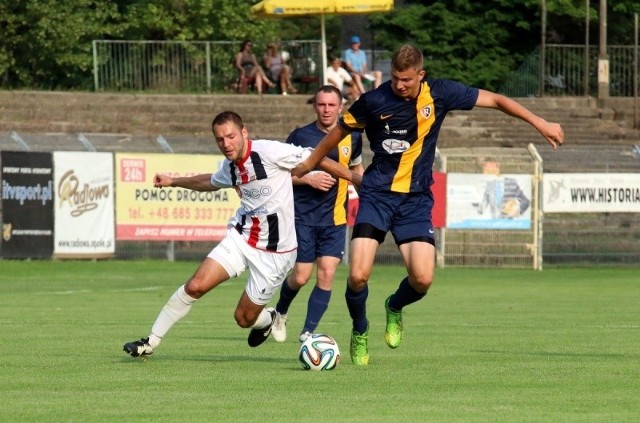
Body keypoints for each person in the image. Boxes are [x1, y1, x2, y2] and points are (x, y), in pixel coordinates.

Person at [292, 44, 565, 366]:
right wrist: (311, 161)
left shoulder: (441, 93)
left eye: (406, 80)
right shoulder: (374, 100)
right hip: (377, 194)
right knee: (358, 276)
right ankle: (360, 330)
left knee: (422, 279)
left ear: (421, 75)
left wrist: (540, 123)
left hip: (416, 200)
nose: (400, 85)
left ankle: (394, 306)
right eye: (395, 78)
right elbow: (339, 131)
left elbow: (496, 100)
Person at [123, 111, 361, 358]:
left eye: (230, 136)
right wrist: (174, 181)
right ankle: (150, 341)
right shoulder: (231, 166)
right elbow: (210, 182)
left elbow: (317, 156)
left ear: (244, 133)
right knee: (195, 286)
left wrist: (356, 179)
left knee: (244, 318)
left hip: (276, 254)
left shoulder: (269, 152)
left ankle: (267, 318)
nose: (226, 144)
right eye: (220, 139)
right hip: (242, 238)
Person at [270, 85, 364, 343]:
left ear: (340, 107)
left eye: (331, 105)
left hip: (335, 219)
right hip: (303, 217)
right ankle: (280, 312)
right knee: (301, 276)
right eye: (321, 104)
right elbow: (281, 175)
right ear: (315, 106)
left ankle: (308, 333)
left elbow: (356, 167)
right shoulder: (299, 136)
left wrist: (365, 191)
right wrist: (308, 179)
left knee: (327, 273)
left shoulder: (353, 136)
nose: (326, 110)